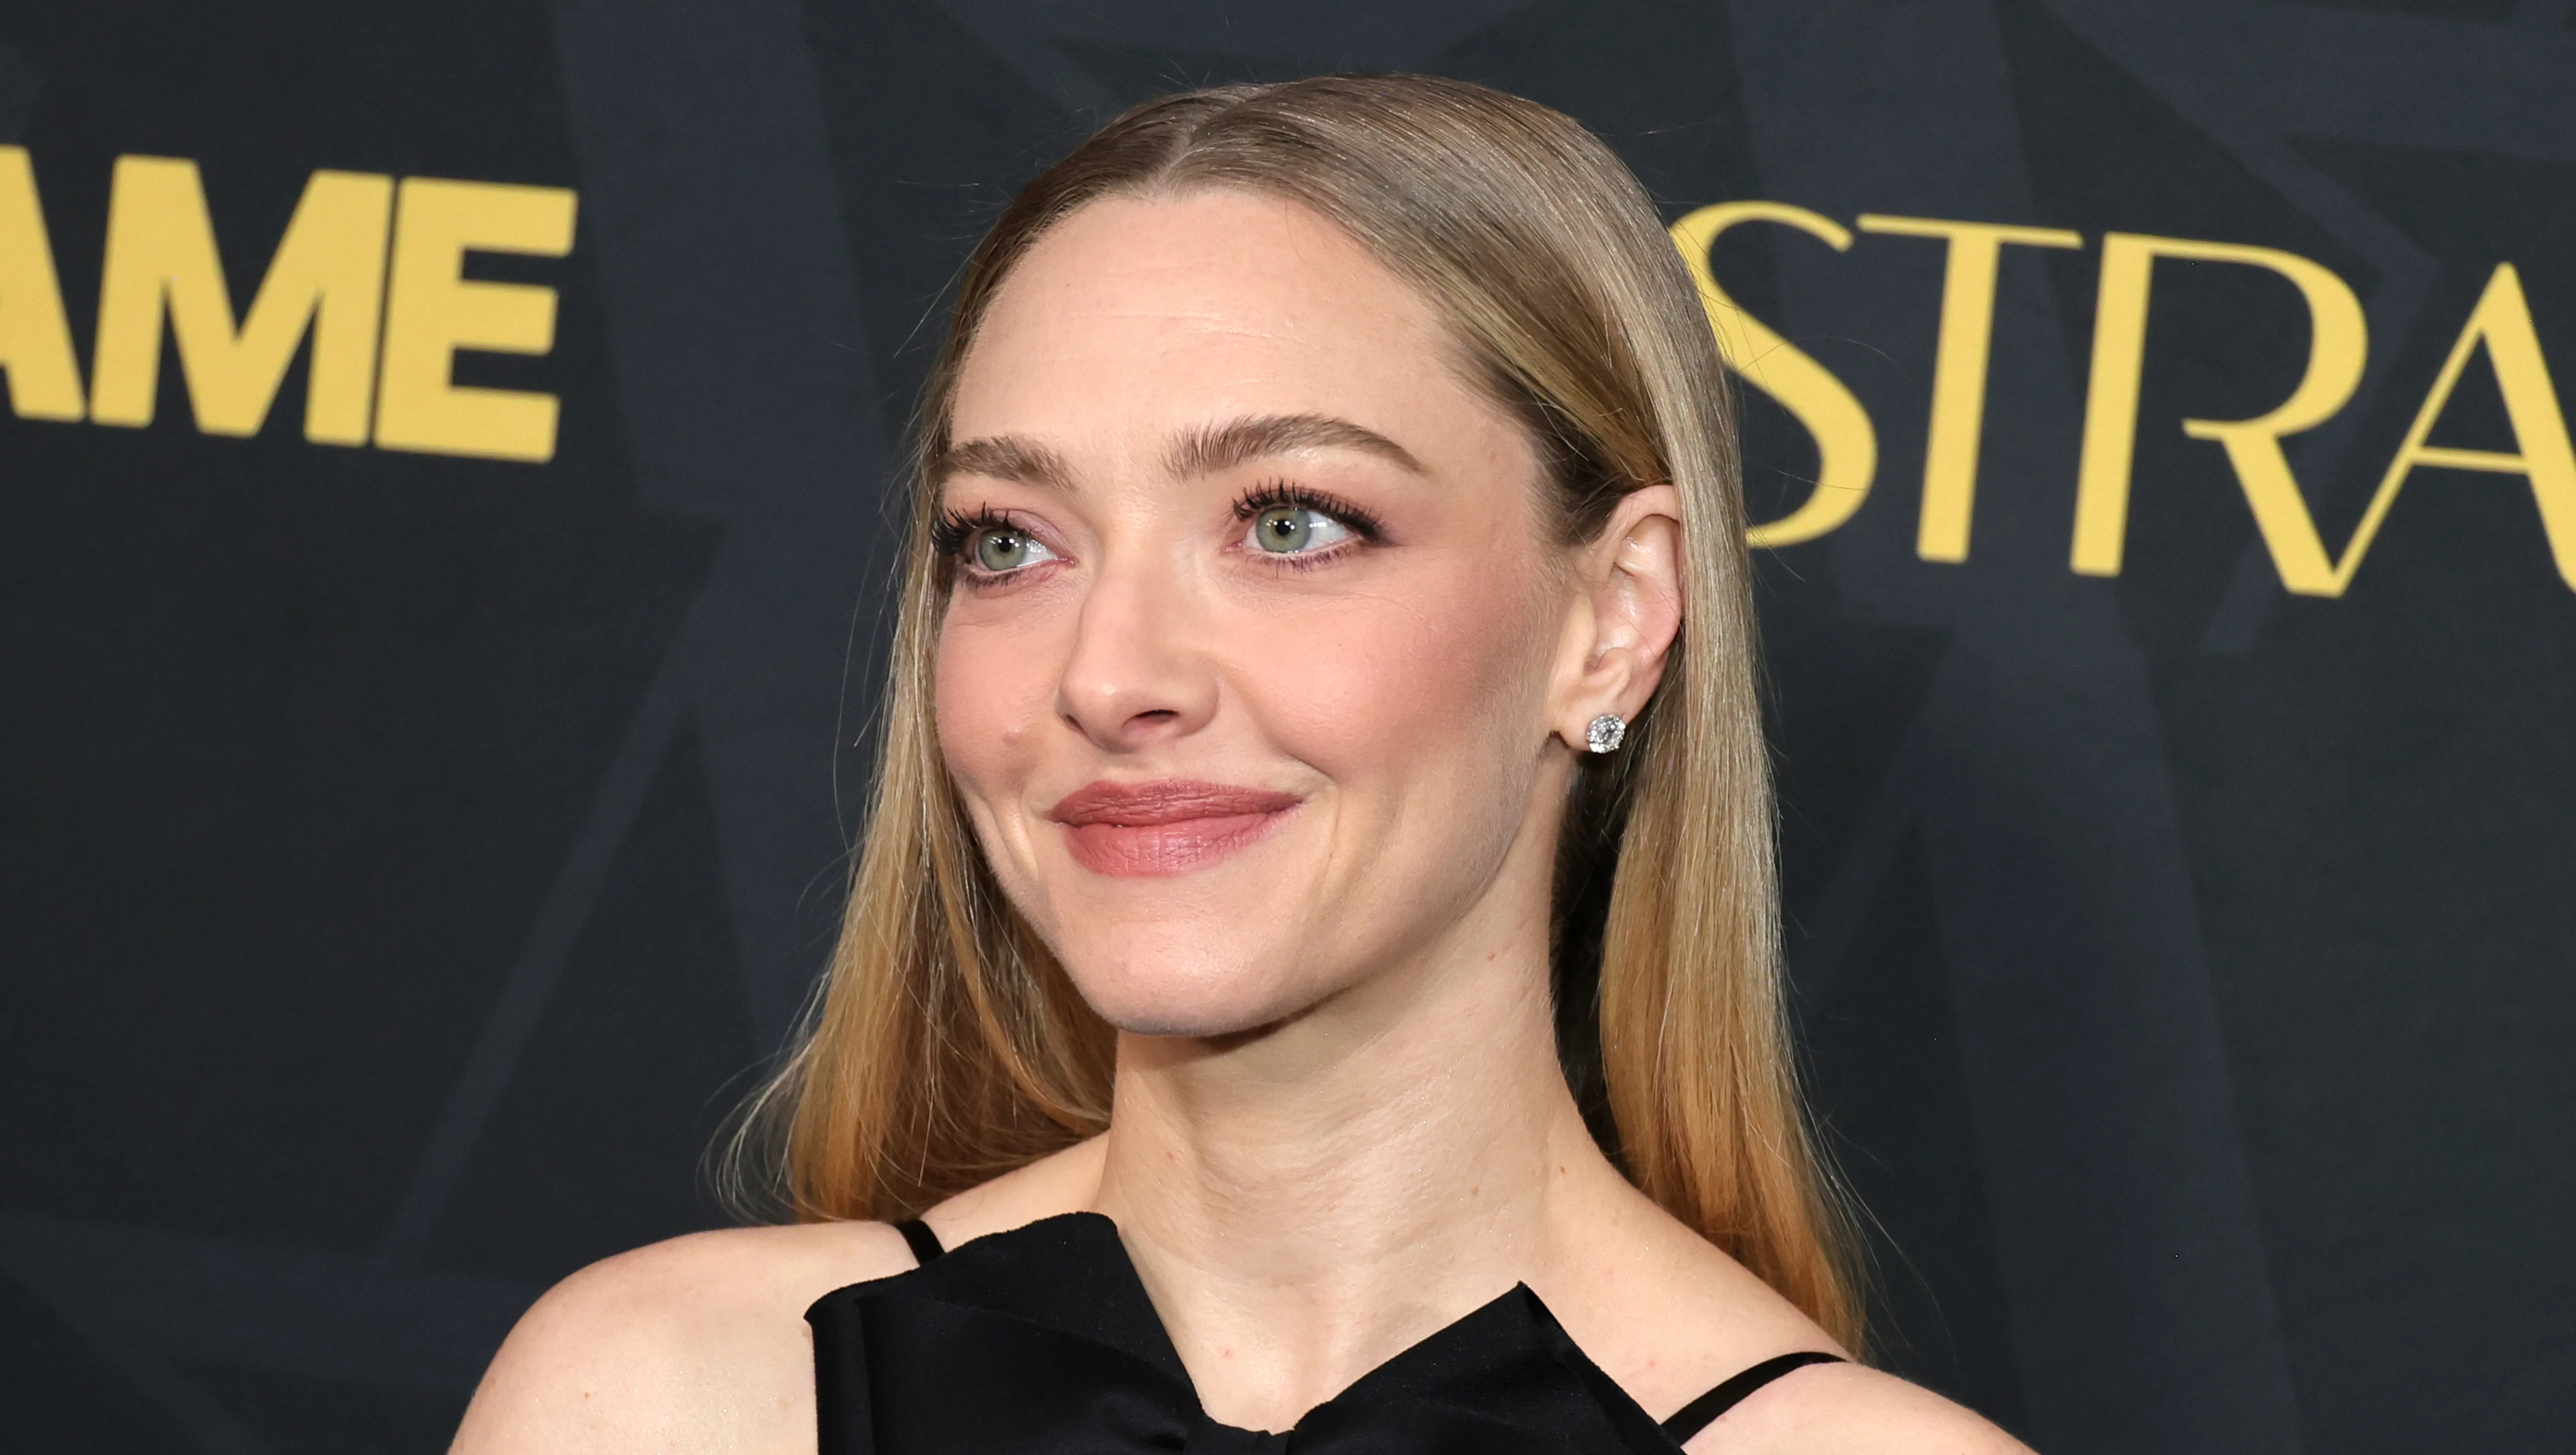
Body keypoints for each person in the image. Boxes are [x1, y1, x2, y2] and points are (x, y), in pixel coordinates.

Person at [450, 74, 2030, 1454]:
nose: (1110, 676)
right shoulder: (667, 1402)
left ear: (1612, 622)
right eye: (1009, 543)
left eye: (1289, 525)